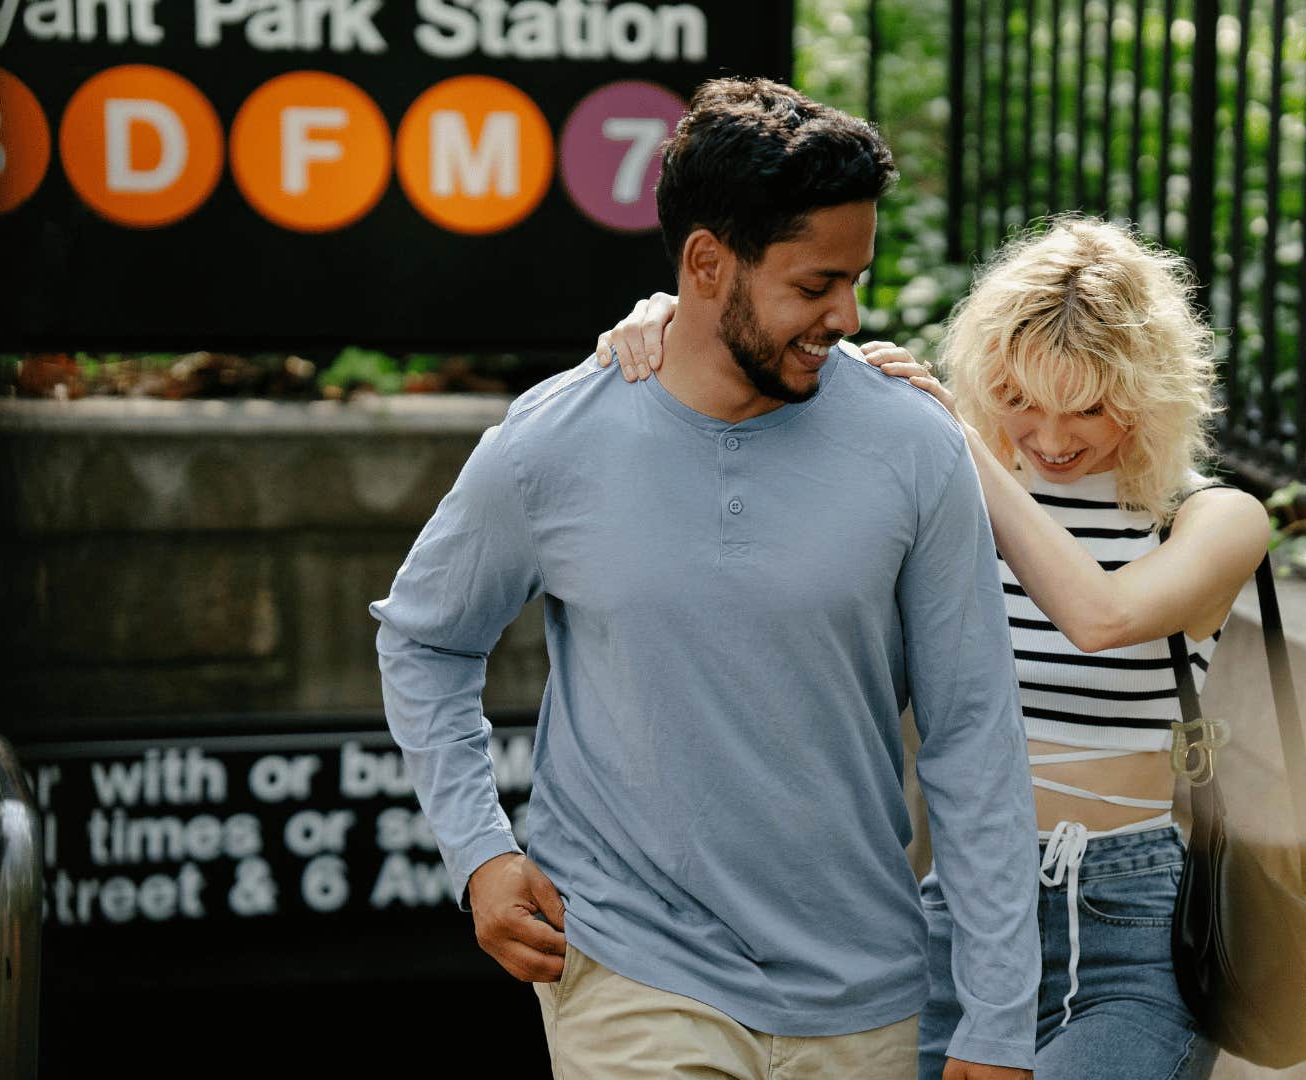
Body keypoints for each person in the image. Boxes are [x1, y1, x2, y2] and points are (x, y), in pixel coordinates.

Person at [372, 78, 1040, 1080]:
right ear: (705, 263)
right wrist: (480, 852)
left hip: (859, 990)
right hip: (631, 965)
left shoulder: (914, 448)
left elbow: (972, 736)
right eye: (815, 286)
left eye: (855, 279)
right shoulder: (554, 441)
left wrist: (996, 1013)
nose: (847, 316)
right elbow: (425, 639)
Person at [598, 214, 1272, 1079]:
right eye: (1021, 400)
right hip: (960, 919)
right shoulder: (950, 501)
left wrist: (964, 444)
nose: (1054, 439)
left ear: (1146, 395)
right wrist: (672, 324)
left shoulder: (1210, 518)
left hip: (1130, 927)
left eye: (1091, 407)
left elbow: (1099, 617)